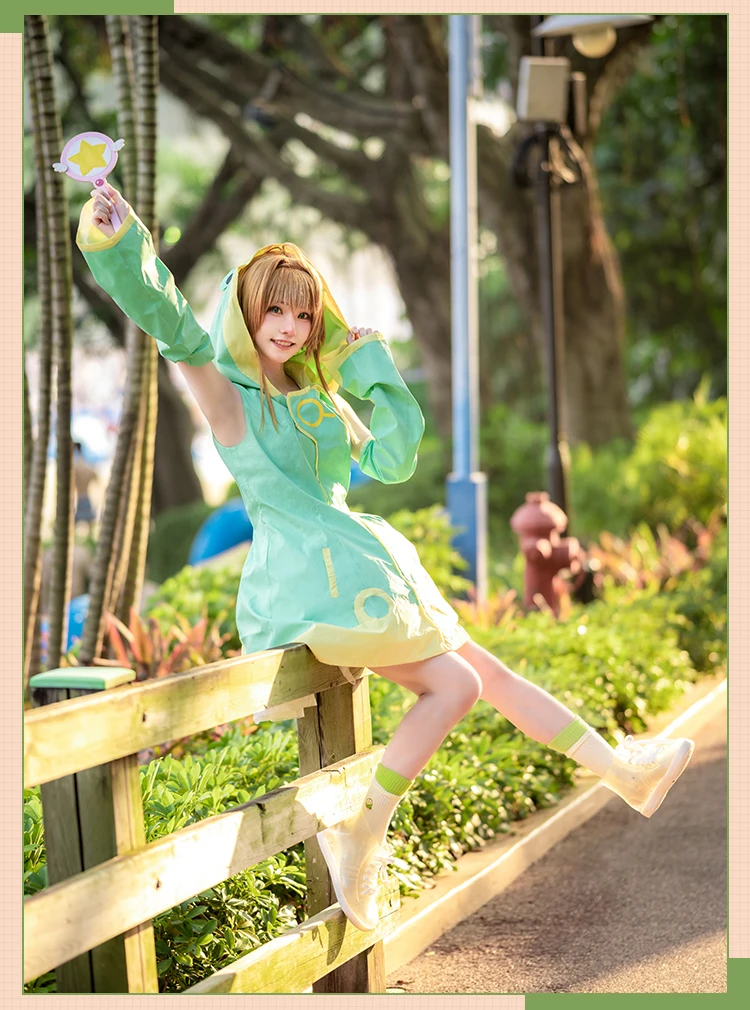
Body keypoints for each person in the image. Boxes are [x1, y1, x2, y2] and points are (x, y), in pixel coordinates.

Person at [79, 182, 695, 935]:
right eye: (274, 310)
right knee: (460, 683)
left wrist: (372, 367)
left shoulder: (317, 399)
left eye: (303, 314)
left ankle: (622, 772)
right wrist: (123, 239)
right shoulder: (229, 398)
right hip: (308, 579)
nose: (289, 326)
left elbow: (394, 461)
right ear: (247, 313)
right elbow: (171, 322)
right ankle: (366, 830)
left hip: (361, 562)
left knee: (486, 675)